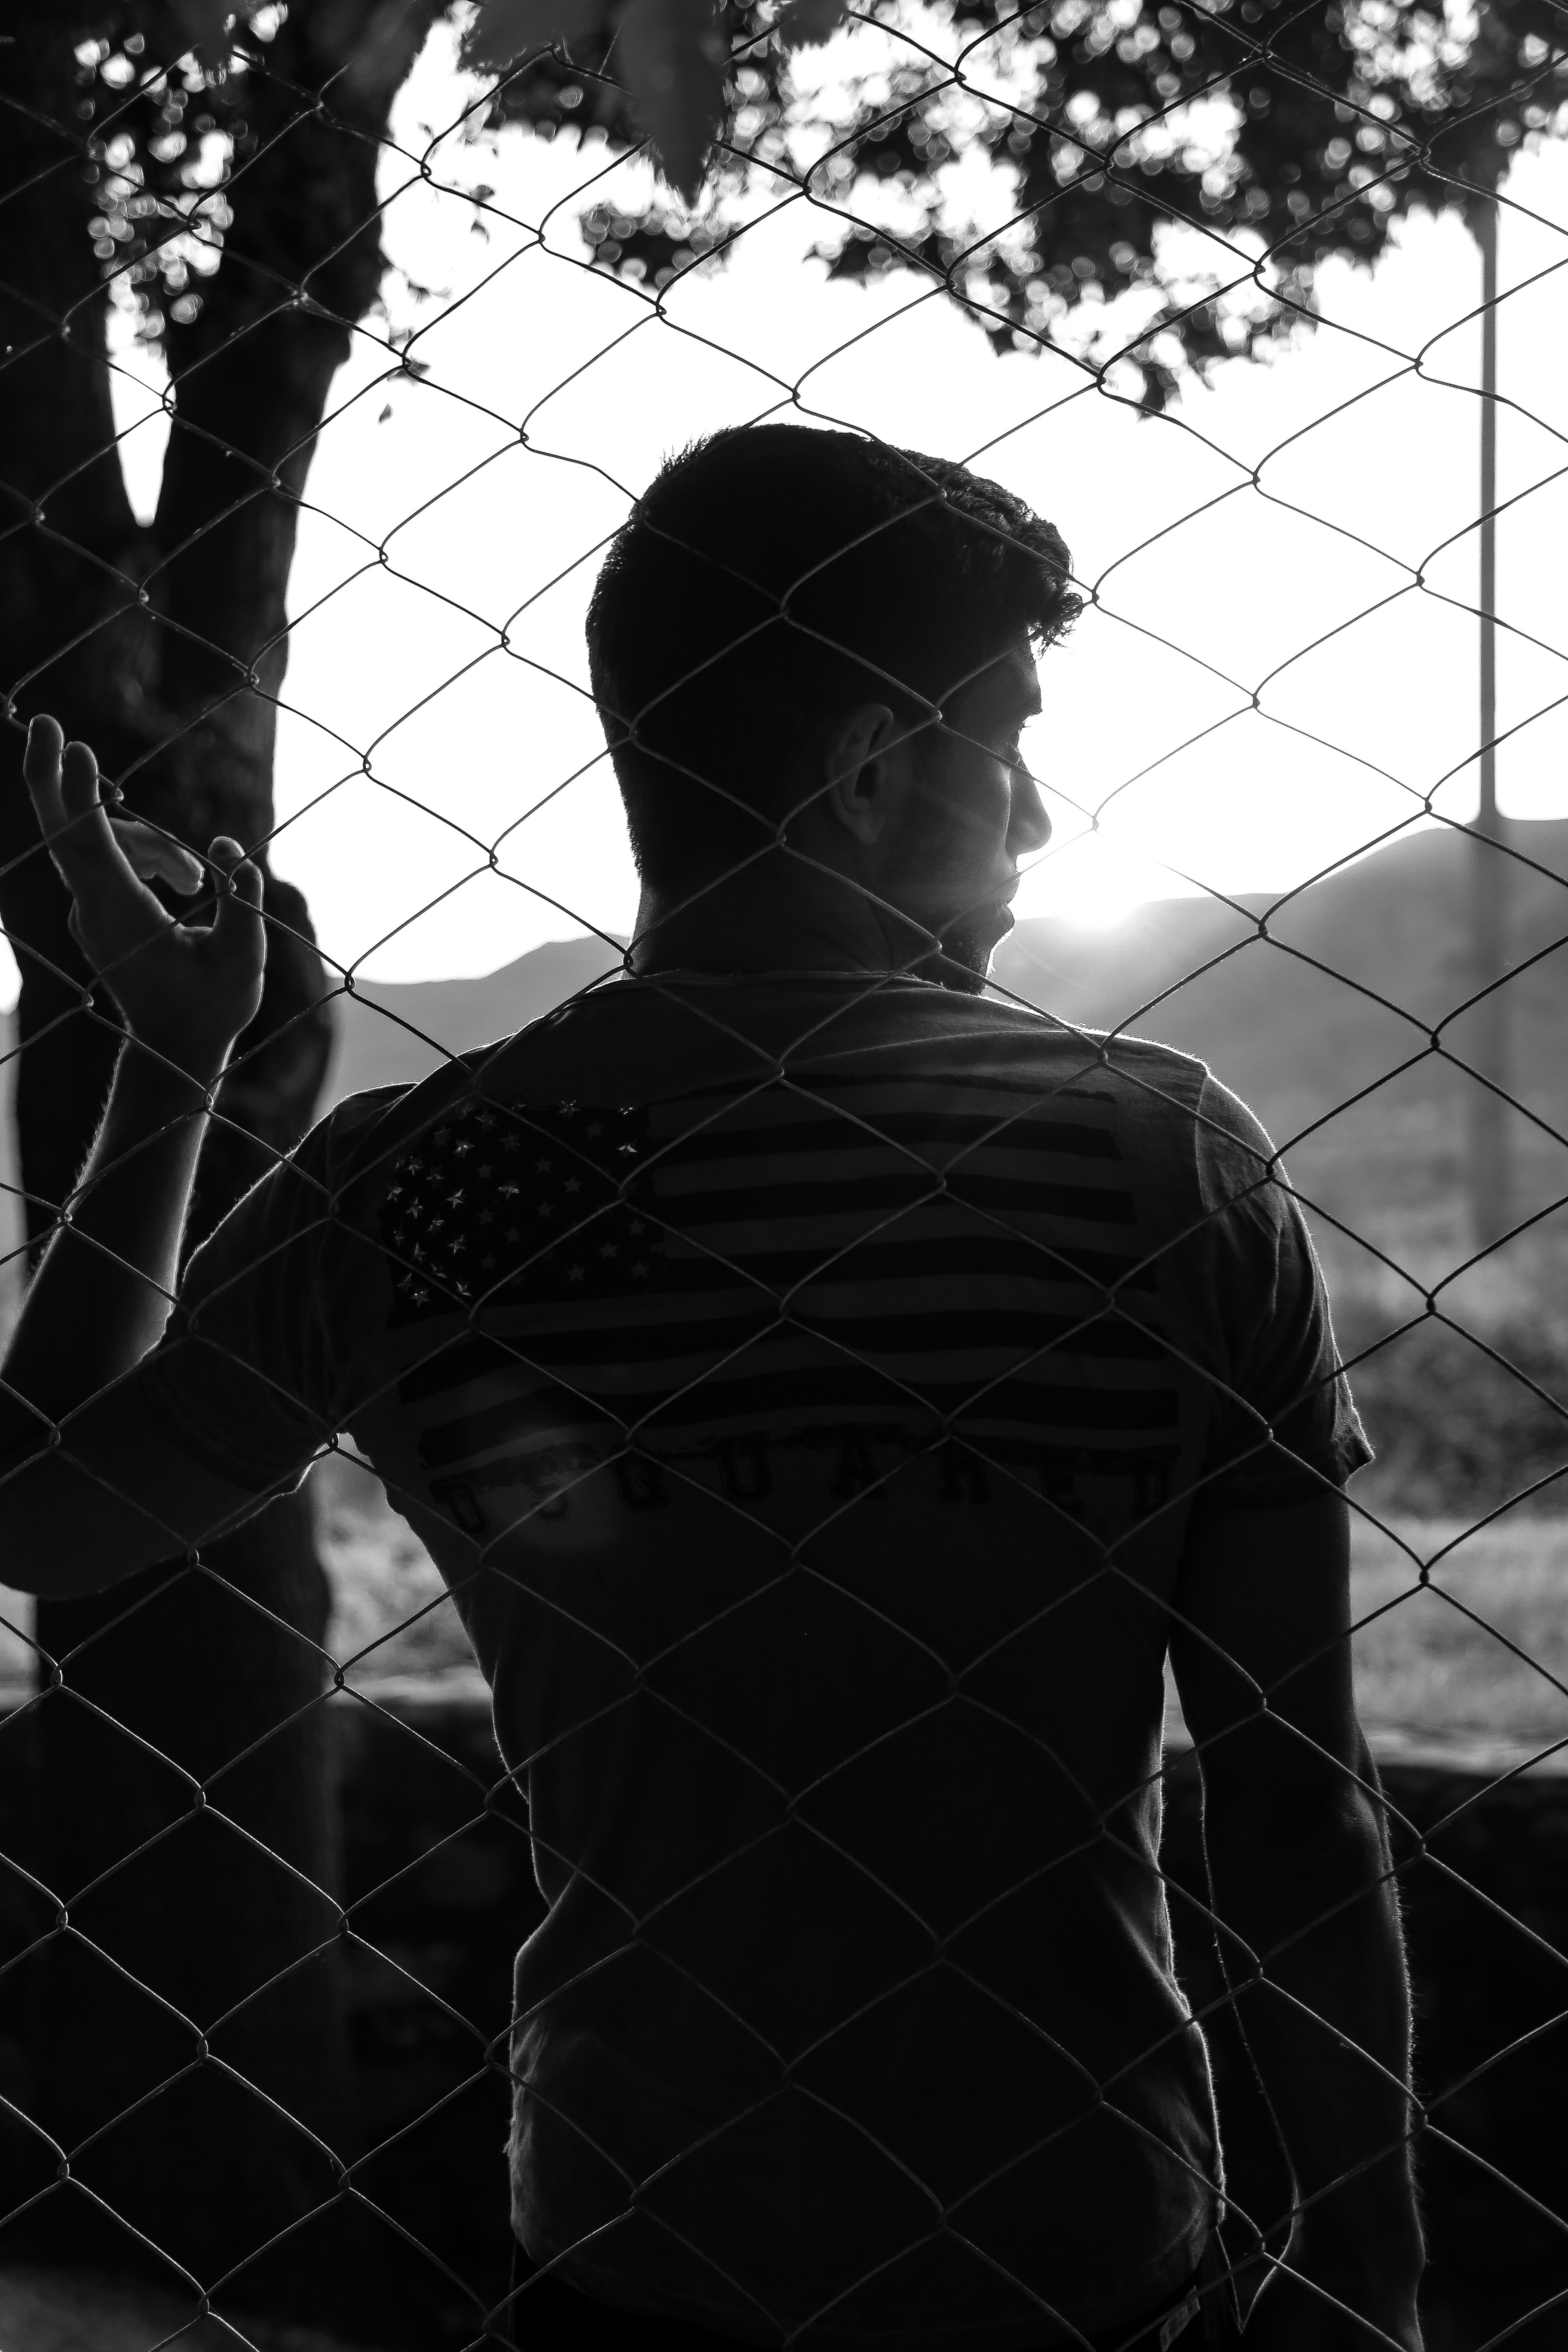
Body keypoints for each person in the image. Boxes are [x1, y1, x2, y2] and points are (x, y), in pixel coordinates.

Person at [1, 425, 1422, 2352]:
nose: (1040, 817)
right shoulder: (1157, 1164)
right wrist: (1376, 2278)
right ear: (865, 769)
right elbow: (1295, 1813)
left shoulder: (426, 1184)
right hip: (1079, 2252)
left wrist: (171, 1072)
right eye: (1004, 738)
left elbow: (44, 1518)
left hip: (642, 2248)